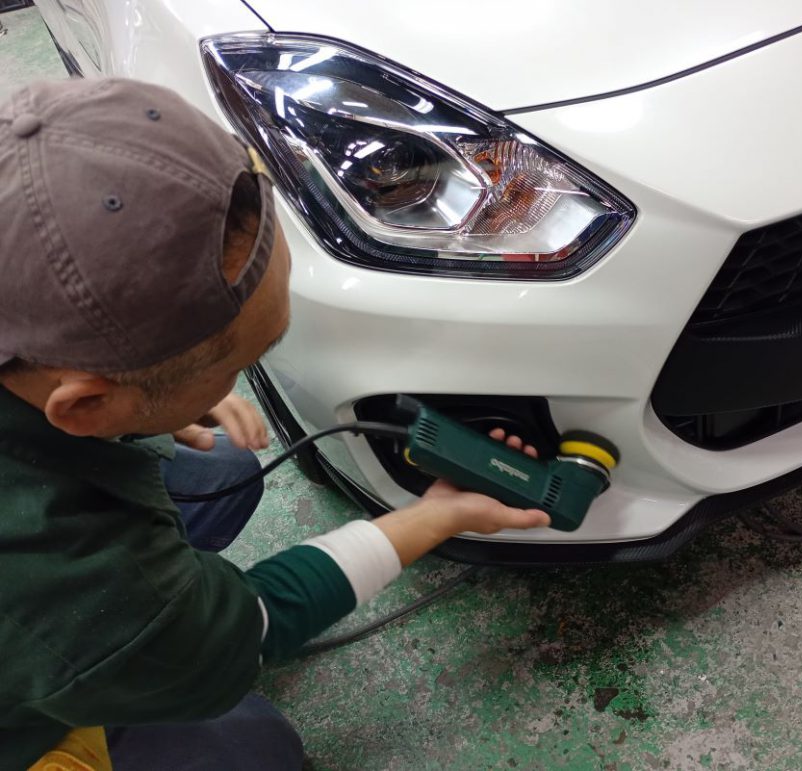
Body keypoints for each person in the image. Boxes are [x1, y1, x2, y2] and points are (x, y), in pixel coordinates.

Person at [0, 77, 550, 770]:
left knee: (219, 473)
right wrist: (433, 518)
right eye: (242, 362)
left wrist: (149, 408)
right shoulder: (54, 579)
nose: (243, 380)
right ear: (85, 405)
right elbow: (258, 626)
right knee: (251, 750)